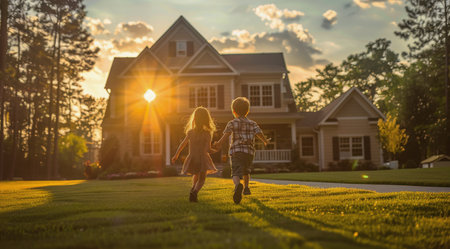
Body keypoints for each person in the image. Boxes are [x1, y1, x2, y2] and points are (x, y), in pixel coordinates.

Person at [213, 97, 269, 204]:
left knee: (236, 171)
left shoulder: (232, 123)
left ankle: (238, 185)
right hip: (249, 152)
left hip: (236, 151)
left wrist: (218, 143)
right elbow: (259, 133)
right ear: (247, 111)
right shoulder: (253, 123)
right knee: (246, 170)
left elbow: (226, 135)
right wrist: (265, 141)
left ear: (234, 111)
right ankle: (246, 188)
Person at [171, 107, 218, 202]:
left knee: (196, 175)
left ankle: (193, 190)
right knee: (202, 179)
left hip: (193, 158)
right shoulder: (207, 134)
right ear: (206, 120)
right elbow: (208, 150)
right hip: (203, 159)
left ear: (195, 119)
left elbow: (182, 144)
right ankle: (195, 191)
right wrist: (216, 149)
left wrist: (176, 155)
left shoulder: (190, 132)